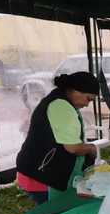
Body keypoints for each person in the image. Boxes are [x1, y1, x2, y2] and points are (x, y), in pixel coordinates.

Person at [17, 72, 99, 205]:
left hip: (42, 171)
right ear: (74, 90)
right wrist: (91, 148)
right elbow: (73, 148)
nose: (87, 104)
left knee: (54, 213)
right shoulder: (60, 106)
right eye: (88, 99)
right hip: (43, 176)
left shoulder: (61, 100)